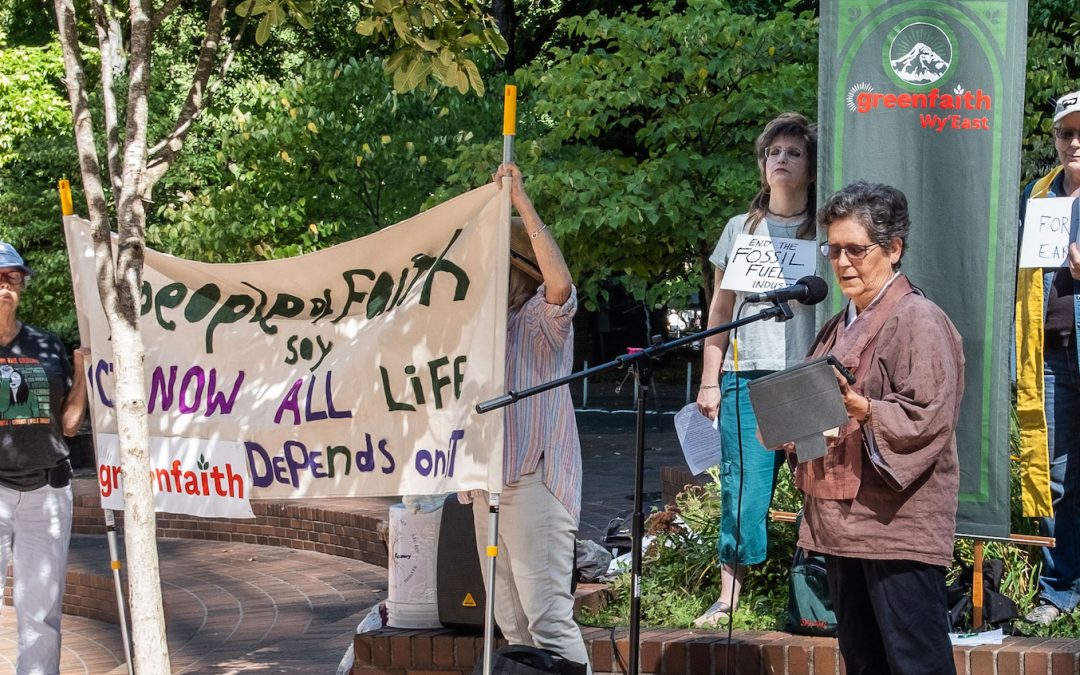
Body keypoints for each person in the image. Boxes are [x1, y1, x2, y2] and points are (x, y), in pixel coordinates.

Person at [797, 182, 964, 674]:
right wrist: (793, 427)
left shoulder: (919, 319)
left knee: (916, 663)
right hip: (840, 525)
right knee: (863, 660)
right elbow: (818, 414)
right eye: (834, 250)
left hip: (897, 525)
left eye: (856, 249)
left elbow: (928, 416)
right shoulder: (836, 324)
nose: (843, 262)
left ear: (893, 249)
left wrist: (866, 409)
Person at [459, 164, 589, 671]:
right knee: (510, 620)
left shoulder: (539, 317)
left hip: (533, 480)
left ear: (518, 270)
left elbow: (561, 283)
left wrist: (521, 203)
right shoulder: (481, 329)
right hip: (486, 484)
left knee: (548, 619)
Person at [694, 112, 819, 626]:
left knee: (820, 483)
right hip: (745, 376)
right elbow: (719, 312)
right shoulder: (739, 229)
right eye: (773, 153)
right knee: (743, 490)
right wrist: (710, 377)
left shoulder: (827, 228)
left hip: (809, 377)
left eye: (793, 153)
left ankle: (819, 594)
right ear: (762, 166)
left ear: (811, 167)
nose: (782, 160)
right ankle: (728, 599)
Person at [0, 242, 89, 675]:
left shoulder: (46, 344)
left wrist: (84, 374)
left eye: (12, 277)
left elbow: (69, 424)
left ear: (22, 285)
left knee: (41, 609)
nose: (4, 286)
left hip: (47, 493)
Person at [1016, 89, 1080, 625]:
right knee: (1056, 476)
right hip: (1049, 358)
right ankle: (1060, 588)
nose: (1075, 141)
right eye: (1067, 132)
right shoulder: (1033, 197)